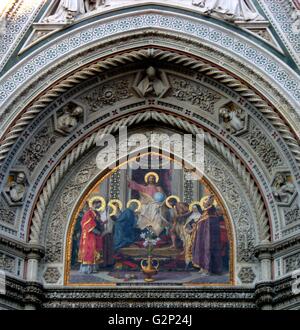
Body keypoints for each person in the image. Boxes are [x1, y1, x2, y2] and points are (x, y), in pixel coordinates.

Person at [192, 195, 225, 275]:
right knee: (202, 249)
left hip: (209, 235)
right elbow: (200, 222)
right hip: (202, 236)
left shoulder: (211, 210)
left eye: (206, 201)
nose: (204, 203)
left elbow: (211, 222)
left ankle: (208, 269)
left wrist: (210, 200)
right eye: (204, 202)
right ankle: (203, 267)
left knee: (208, 249)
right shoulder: (205, 212)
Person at [78, 196, 105, 274]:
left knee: (95, 250)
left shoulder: (96, 213)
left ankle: (93, 268)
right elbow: (86, 224)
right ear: (94, 204)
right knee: (89, 250)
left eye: (100, 205)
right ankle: (87, 269)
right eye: (98, 205)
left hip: (95, 235)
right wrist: (95, 230)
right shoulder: (88, 213)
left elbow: (99, 222)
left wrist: (101, 226)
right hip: (89, 235)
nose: (99, 206)